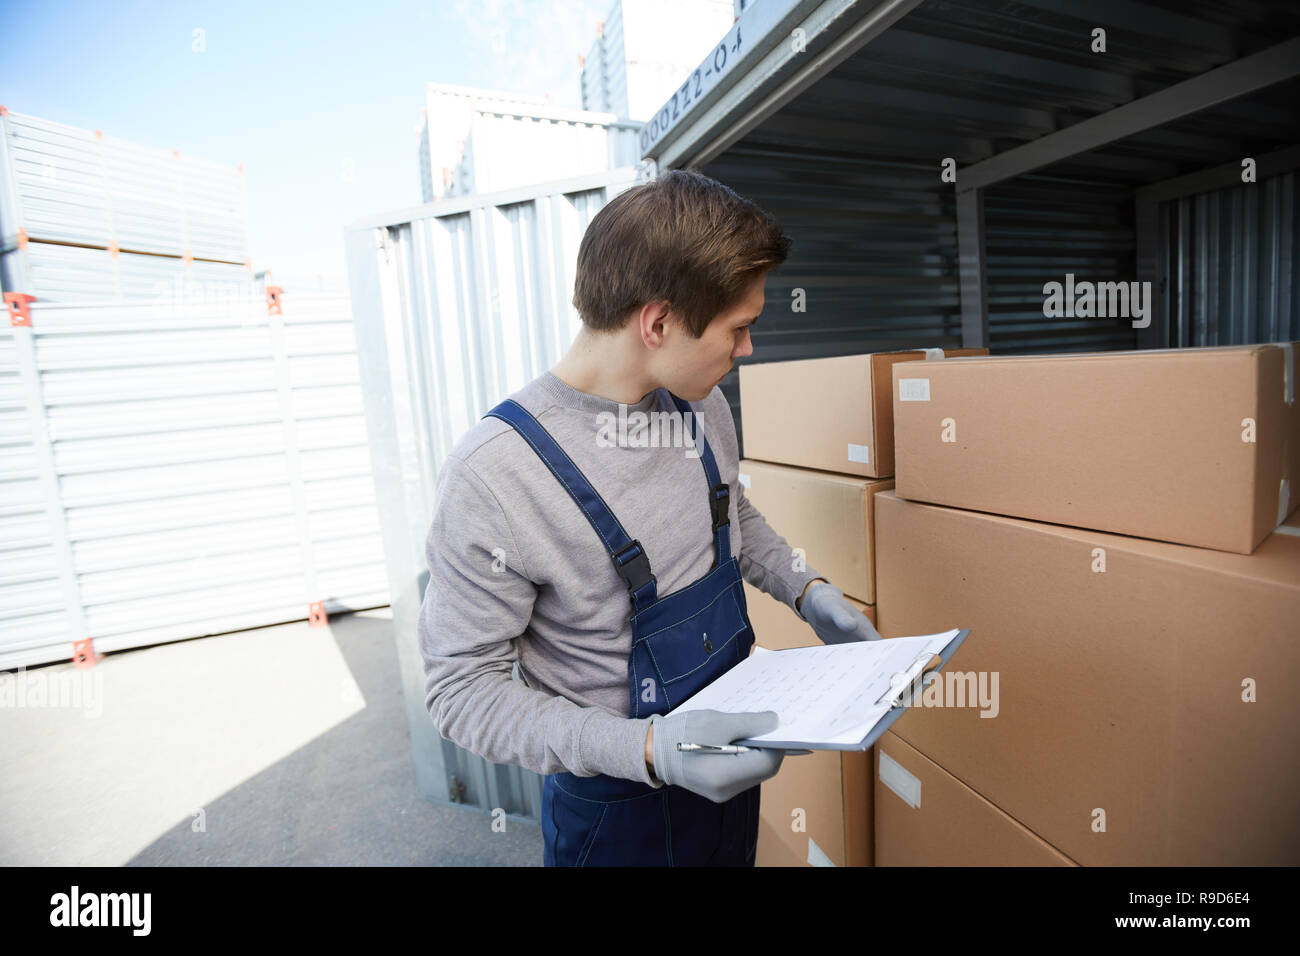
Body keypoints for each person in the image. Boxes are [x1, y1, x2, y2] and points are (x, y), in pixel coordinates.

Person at [417, 168, 881, 867]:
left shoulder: (700, 406)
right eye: (739, 328)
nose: (748, 349)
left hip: (727, 774)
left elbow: (729, 510)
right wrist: (650, 750)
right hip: (617, 817)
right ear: (658, 322)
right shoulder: (495, 477)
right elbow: (460, 692)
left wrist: (805, 589)